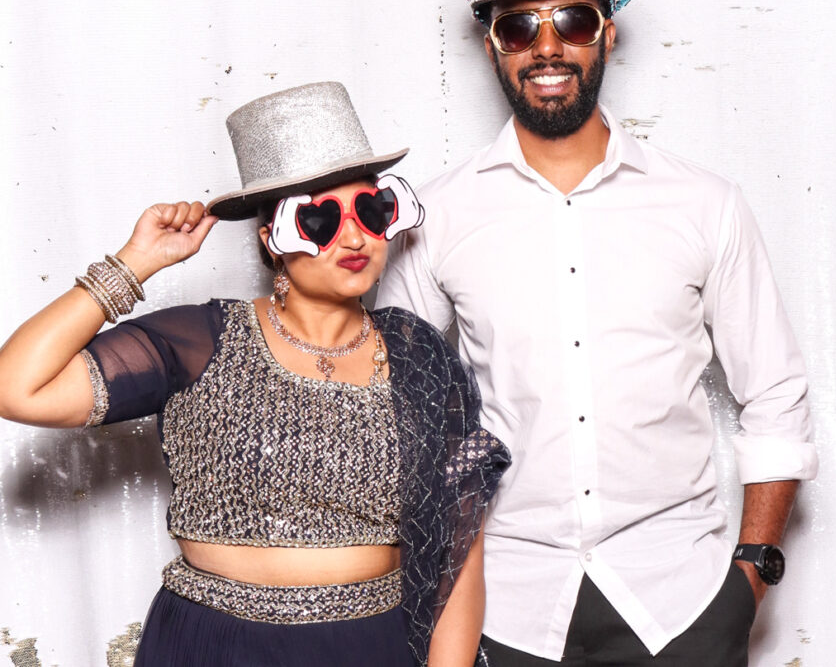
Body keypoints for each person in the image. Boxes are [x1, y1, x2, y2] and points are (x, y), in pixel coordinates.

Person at [377, 0, 818, 667]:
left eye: (572, 20)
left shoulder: (704, 204)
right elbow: (399, 411)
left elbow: (775, 395)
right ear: (493, 47)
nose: (547, 46)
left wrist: (750, 576)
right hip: (503, 606)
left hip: (681, 599)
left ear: (607, 32)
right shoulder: (438, 214)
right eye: (519, 26)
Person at [0, 81, 509, 667]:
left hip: (373, 647)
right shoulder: (198, 342)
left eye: (371, 211)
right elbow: (19, 389)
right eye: (321, 218)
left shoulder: (419, 353)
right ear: (272, 238)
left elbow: (458, 547)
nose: (353, 236)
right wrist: (135, 263)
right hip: (212, 646)